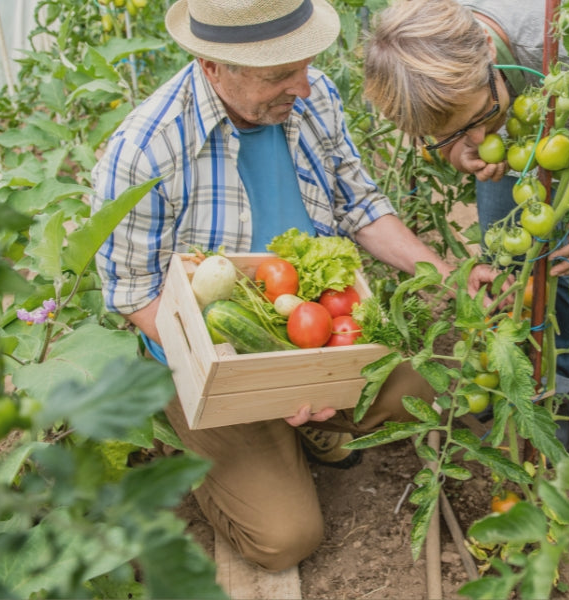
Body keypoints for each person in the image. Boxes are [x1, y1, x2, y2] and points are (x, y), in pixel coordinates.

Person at [90, 0, 498, 572]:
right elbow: (134, 292)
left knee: (444, 383)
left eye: (305, 65)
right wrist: (252, 381)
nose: (303, 87)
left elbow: (359, 204)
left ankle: (316, 423)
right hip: (216, 358)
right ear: (213, 67)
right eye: (280, 74)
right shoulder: (146, 150)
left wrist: (447, 274)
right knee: (285, 539)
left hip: (320, 326)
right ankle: (199, 445)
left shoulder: (314, 95)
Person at [363, 0, 569, 449]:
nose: (478, 140)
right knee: (503, 264)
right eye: (456, 129)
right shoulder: (438, 59)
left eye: (475, 121)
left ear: (492, 62)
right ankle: (511, 371)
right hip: (518, 132)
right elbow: (454, 134)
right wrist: (457, 148)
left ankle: (561, 385)